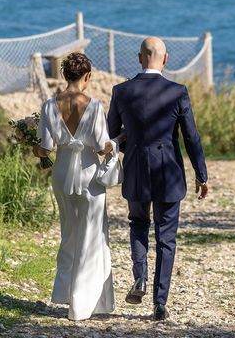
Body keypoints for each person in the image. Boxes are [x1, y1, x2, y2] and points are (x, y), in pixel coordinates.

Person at [107, 37, 209, 321]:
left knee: (138, 224)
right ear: (165, 59)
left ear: (140, 58)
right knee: (166, 238)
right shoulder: (177, 92)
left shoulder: (121, 91)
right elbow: (191, 137)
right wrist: (202, 175)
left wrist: (133, 144)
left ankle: (140, 277)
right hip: (169, 173)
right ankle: (160, 303)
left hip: (137, 169)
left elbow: (111, 135)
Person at [32, 52, 117, 321]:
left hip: (61, 173)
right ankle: (83, 304)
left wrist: (34, 147)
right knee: (93, 235)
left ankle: (67, 295)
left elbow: (45, 147)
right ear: (88, 76)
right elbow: (103, 146)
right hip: (89, 176)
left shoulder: (49, 105)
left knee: (69, 233)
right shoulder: (94, 106)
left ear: (63, 74)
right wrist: (115, 144)